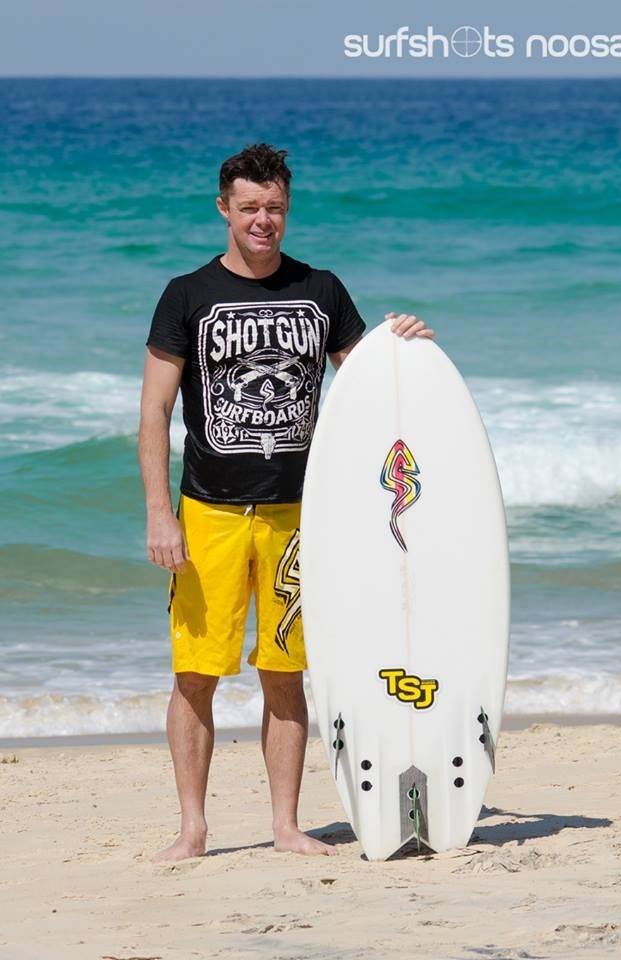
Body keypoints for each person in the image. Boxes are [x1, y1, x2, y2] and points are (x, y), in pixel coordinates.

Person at [139, 143, 434, 861]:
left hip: (300, 515)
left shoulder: (320, 290)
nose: (262, 220)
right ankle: (193, 827)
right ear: (224, 209)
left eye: (273, 207)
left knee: (285, 671)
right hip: (208, 510)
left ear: (287, 208)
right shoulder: (187, 295)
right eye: (248, 208)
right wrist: (159, 513)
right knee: (195, 673)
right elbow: (154, 412)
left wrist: (404, 345)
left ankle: (285, 825)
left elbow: (368, 385)